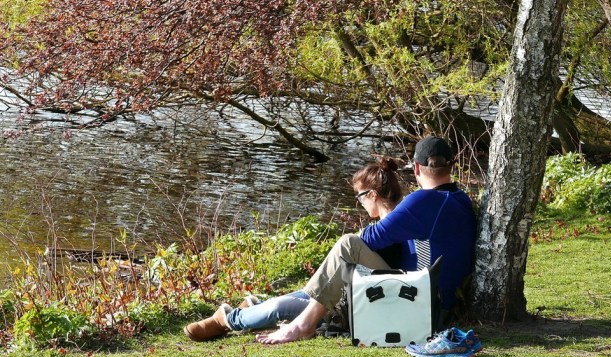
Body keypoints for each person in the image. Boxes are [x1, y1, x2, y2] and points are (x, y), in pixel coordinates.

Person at [256, 136, 477, 344]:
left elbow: (372, 238)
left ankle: (303, 325)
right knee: (336, 274)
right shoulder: (460, 200)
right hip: (435, 303)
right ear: (451, 166)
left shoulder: (425, 200)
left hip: (419, 304)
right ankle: (283, 307)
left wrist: (368, 232)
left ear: (417, 168)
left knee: (348, 245)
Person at [183, 158, 407, 342]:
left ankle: (227, 319)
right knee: (294, 299)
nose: (359, 203)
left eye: (359, 197)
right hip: (354, 296)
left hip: (362, 304)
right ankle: (251, 307)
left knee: (280, 307)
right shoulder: (388, 225)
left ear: (372, 195)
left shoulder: (392, 227)